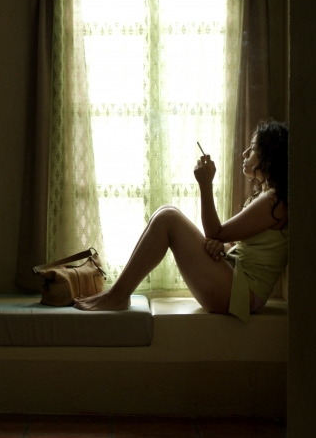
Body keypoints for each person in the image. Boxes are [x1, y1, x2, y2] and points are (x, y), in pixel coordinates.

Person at [73, 119, 289, 322]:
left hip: (242, 293)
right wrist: (222, 247)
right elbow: (238, 243)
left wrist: (206, 184)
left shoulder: (274, 200)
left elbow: (215, 231)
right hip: (238, 285)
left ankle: (118, 296)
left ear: (269, 155)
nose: (245, 153)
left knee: (168, 218)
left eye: (253, 148)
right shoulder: (267, 198)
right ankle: (117, 294)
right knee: (166, 212)